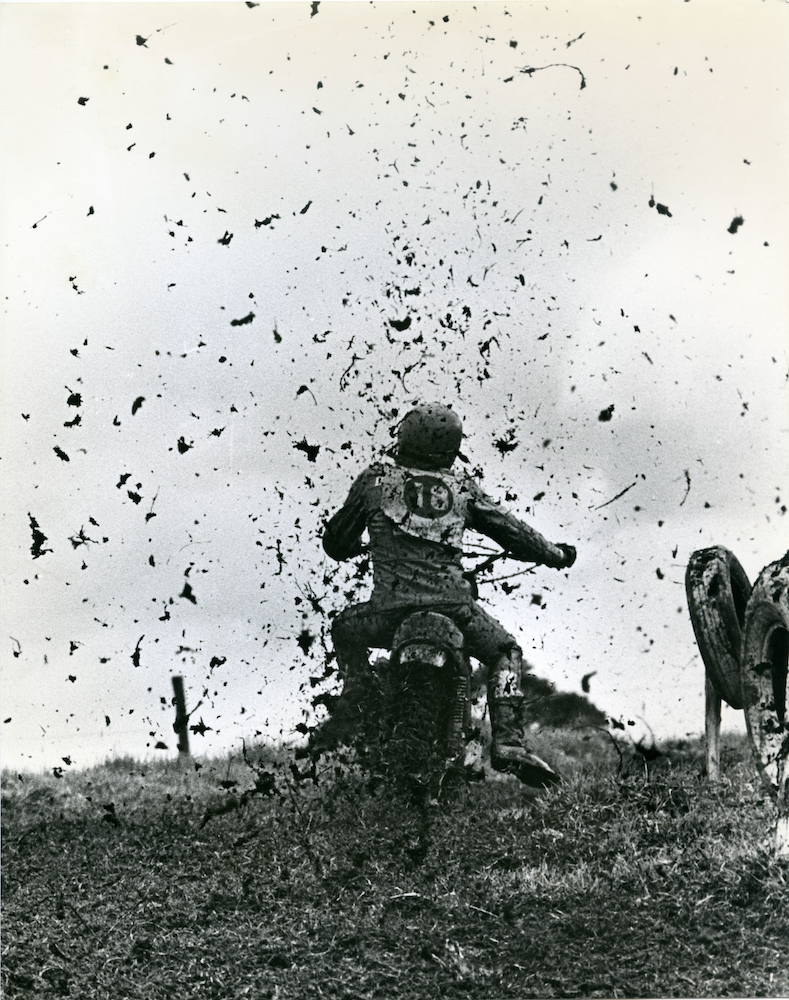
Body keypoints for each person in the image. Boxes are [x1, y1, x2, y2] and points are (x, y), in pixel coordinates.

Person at [317, 402, 576, 787]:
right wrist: (555, 554)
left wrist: (357, 542)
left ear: (403, 436)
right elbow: (514, 533)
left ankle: (359, 695)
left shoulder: (374, 481)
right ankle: (508, 742)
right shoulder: (461, 488)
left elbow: (336, 542)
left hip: (388, 613)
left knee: (343, 628)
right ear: (451, 447)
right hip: (456, 609)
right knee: (505, 652)